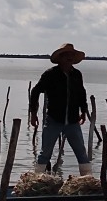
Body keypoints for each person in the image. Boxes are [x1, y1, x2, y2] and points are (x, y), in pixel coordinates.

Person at [29, 43, 92, 176]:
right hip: (54, 119)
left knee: (81, 152)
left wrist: (84, 111)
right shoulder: (50, 74)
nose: (69, 58)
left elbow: (82, 93)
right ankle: (36, 181)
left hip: (73, 120)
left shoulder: (77, 74)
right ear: (60, 58)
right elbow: (35, 92)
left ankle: (87, 180)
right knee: (45, 153)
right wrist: (33, 114)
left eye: (71, 55)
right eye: (66, 55)